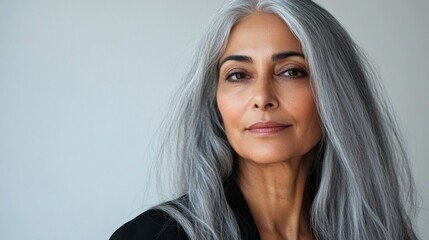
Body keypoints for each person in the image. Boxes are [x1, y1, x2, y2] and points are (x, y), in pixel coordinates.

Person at [110, 0, 418, 239]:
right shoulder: (153, 237)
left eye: (291, 71)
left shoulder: (385, 233)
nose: (262, 97)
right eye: (239, 75)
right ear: (215, 102)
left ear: (336, 94)